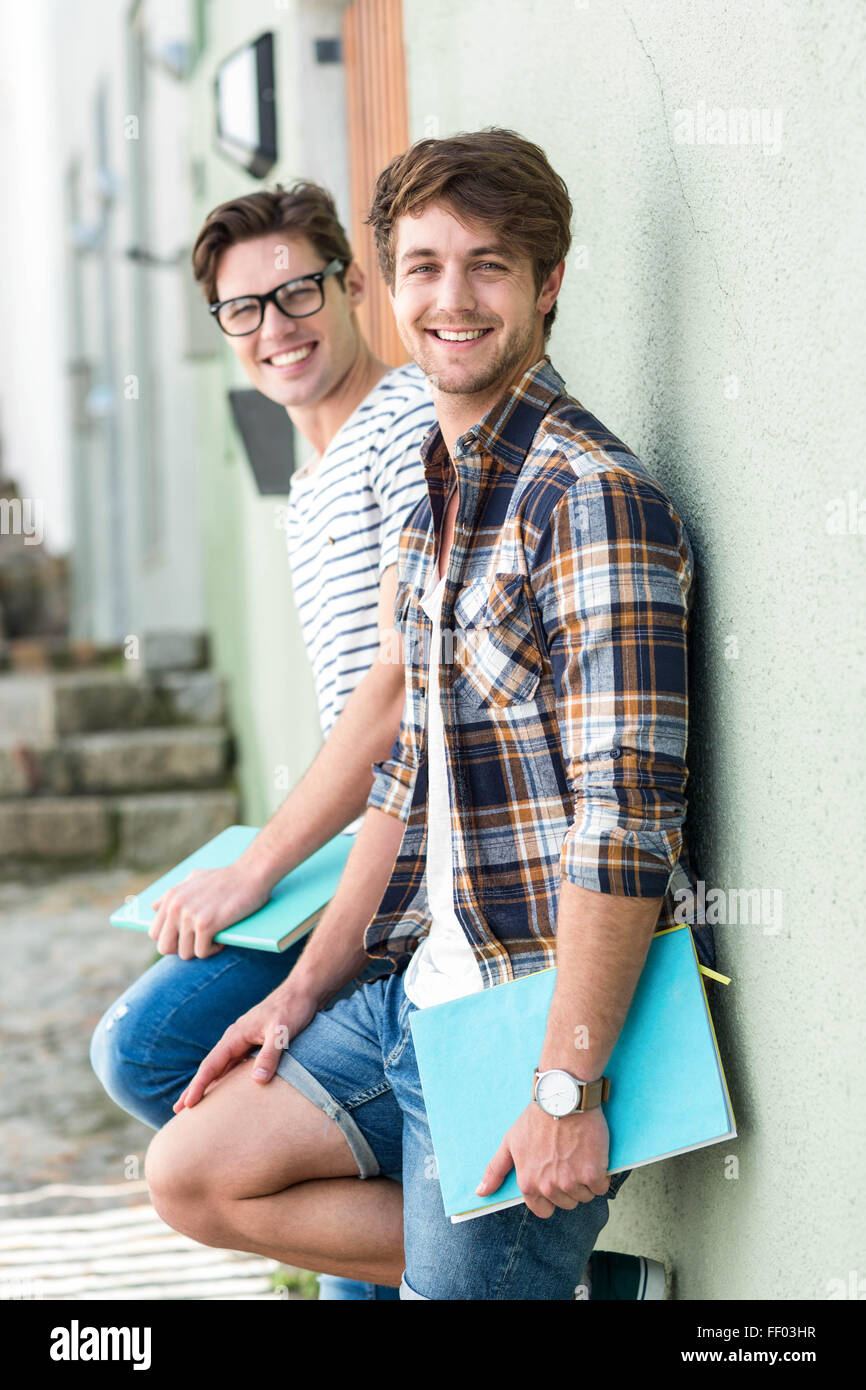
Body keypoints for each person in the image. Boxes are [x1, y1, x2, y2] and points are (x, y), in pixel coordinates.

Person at [144, 129, 711, 1300]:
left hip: (521, 1022)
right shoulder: (440, 496)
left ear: (547, 283)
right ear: (390, 283)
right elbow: (407, 780)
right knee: (191, 1170)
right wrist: (295, 1003)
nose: (450, 299)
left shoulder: (589, 502)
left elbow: (623, 828)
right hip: (416, 998)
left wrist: (564, 1091)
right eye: (424, 266)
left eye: (488, 265)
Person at [90, 179, 435, 1301]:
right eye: (243, 308)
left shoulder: (408, 423)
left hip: (421, 851)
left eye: (297, 292)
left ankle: (519, 1262)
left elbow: (393, 699)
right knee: (326, 1237)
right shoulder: (306, 485)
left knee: (144, 1050)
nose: (275, 327)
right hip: (366, 840)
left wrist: (257, 868)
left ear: (348, 285)